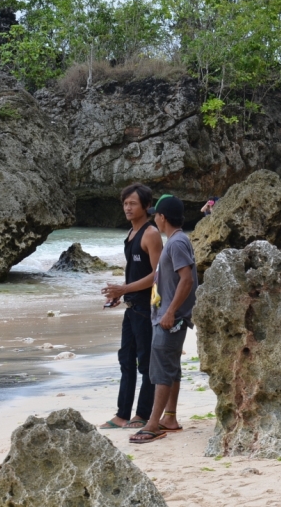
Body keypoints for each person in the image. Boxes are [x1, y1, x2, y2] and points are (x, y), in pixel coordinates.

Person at [130, 194, 198, 444]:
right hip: (167, 315)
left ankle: (152, 424)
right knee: (171, 369)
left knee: (160, 371)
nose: (154, 219)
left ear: (162, 217)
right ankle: (169, 417)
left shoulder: (177, 242)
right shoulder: (176, 241)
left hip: (170, 318)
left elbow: (187, 279)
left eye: (156, 215)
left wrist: (170, 312)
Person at [99, 183, 163, 430]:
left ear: (146, 206)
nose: (127, 207)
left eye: (133, 203)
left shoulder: (151, 234)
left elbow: (158, 274)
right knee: (126, 361)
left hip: (147, 309)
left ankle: (143, 414)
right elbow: (138, 272)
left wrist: (124, 289)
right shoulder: (131, 234)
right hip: (131, 307)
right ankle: (122, 414)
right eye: (125, 203)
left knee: (145, 364)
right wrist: (120, 293)